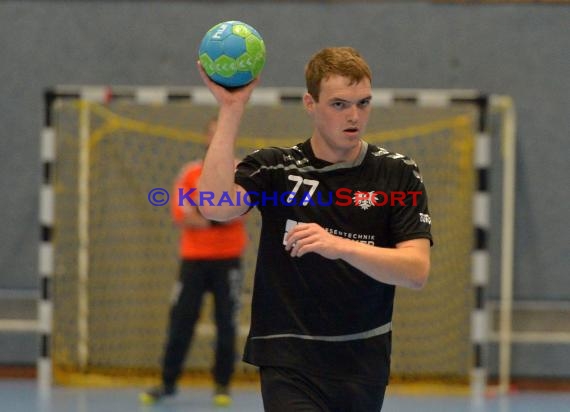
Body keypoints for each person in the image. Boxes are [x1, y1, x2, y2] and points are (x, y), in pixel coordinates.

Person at [196, 47, 432, 411]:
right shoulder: (276, 169)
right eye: (339, 104)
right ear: (310, 103)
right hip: (289, 357)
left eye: (363, 103)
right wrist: (231, 110)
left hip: (362, 358)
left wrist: (339, 246)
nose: (354, 116)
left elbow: (416, 270)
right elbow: (214, 206)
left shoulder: (397, 173)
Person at [140, 117, 247, 407]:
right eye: (211, 134)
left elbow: (241, 211)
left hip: (228, 261)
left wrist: (208, 215)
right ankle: (167, 382)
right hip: (194, 261)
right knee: (180, 322)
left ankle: (222, 385)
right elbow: (183, 215)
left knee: (227, 324)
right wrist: (218, 217)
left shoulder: (240, 171)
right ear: (205, 138)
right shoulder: (190, 174)